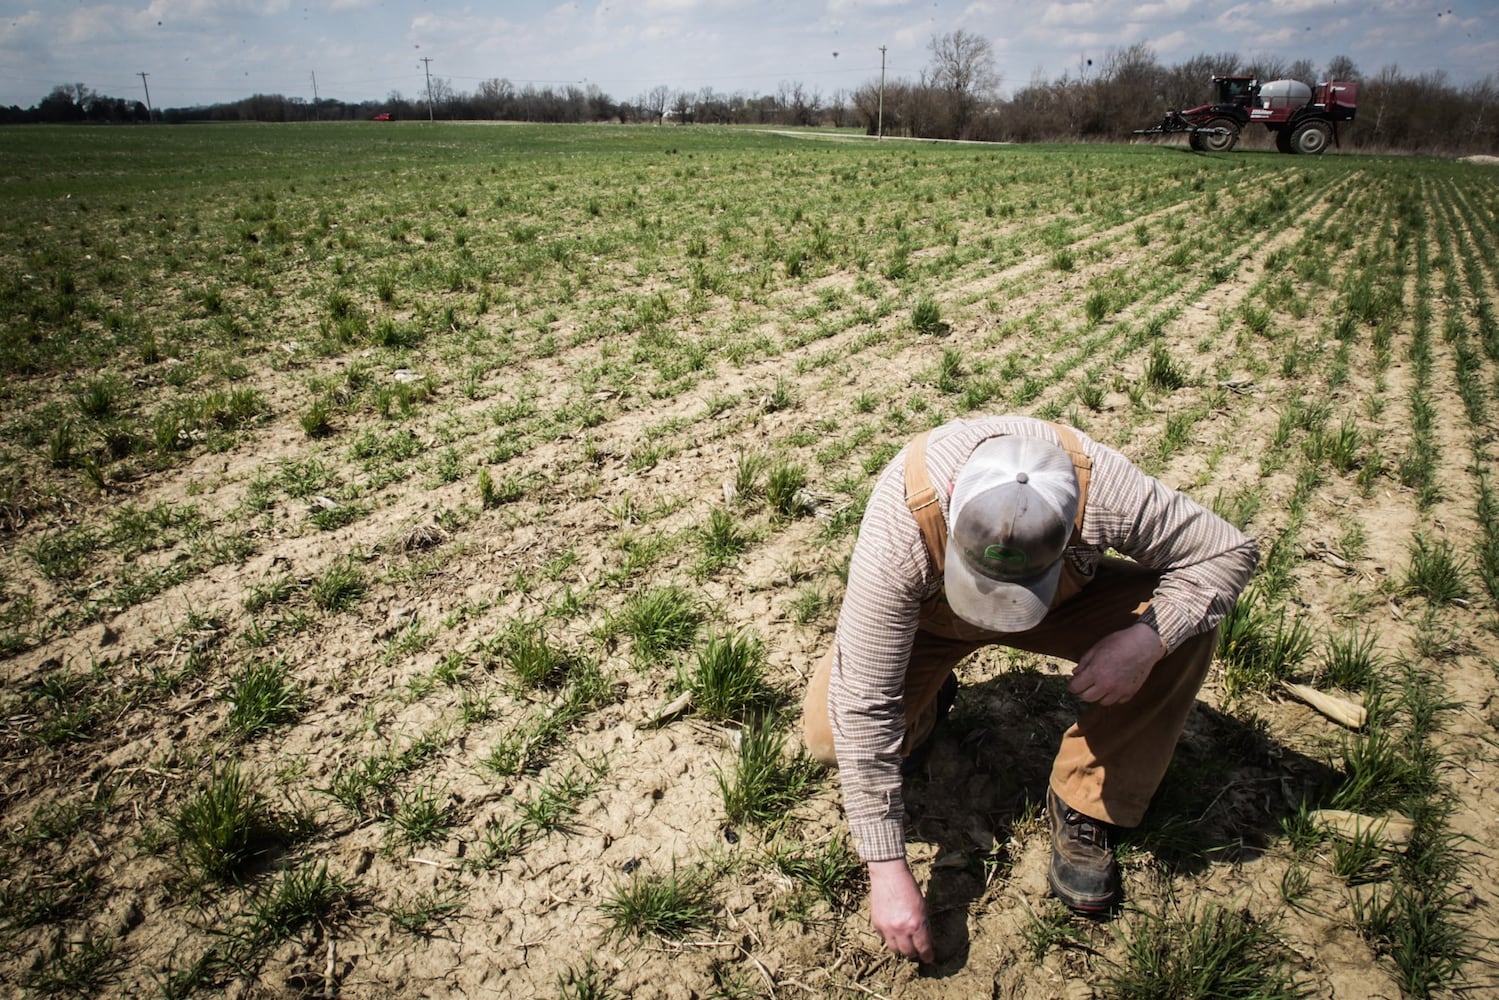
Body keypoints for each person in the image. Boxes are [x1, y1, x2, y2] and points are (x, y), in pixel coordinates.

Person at [801, 414, 1258, 963]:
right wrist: (887, 867)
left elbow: (1227, 552)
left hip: (1060, 606)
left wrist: (1145, 641)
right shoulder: (900, 526)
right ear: (951, 498)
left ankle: (1088, 802)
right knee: (831, 734)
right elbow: (863, 702)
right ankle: (929, 704)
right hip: (931, 616)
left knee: (1184, 630)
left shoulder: (1106, 489)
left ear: (1072, 522)